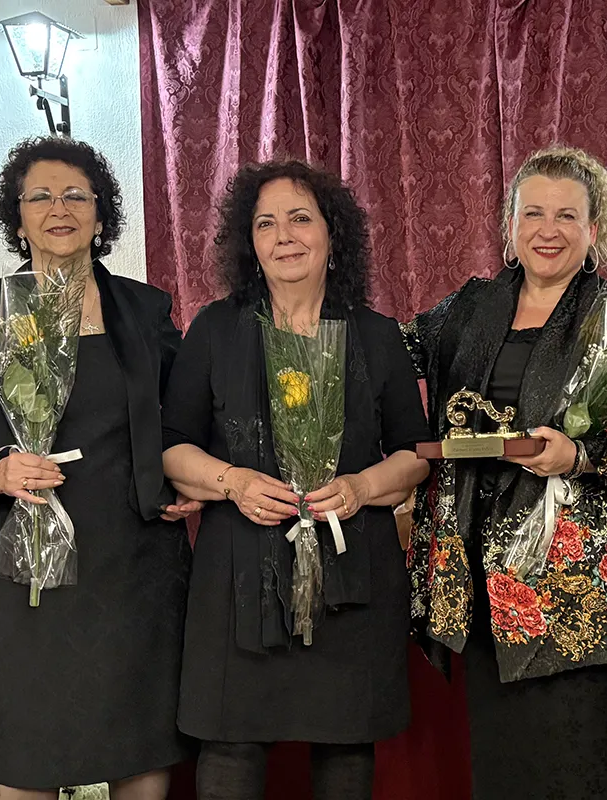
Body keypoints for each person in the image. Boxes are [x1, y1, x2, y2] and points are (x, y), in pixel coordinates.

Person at [406, 145, 607, 799]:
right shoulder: (465, 309)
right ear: (510, 224)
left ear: (594, 230)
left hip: (582, 595)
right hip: (482, 580)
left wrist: (579, 456)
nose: (546, 230)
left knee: (589, 766)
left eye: (566, 216)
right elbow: (384, 359)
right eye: (532, 214)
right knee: (509, 770)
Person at [161, 159, 430, 800]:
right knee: (229, 746)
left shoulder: (375, 333)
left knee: (343, 747)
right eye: (266, 223)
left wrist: (363, 487)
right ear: (247, 242)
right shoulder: (216, 330)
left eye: (300, 219)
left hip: (349, 574)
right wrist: (231, 482)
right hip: (238, 578)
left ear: (331, 233)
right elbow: (172, 449)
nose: (284, 236)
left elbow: (417, 454)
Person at [0, 137, 193, 799]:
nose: (60, 208)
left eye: (76, 195)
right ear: (17, 217)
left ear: (100, 215)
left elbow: (188, 415)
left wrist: (189, 480)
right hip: (24, 562)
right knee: (26, 750)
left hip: (132, 560)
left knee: (139, 742)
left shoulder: (143, 309)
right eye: (41, 197)